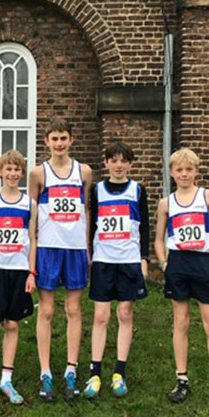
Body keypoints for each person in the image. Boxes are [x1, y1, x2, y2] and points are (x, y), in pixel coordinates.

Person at [154, 148, 209, 411]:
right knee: (181, 321)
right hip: (178, 262)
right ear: (172, 173)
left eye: (189, 169)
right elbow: (158, 237)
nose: (184, 174)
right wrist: (164, 263)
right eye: (179, 170)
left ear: (196, 171)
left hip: (202, 262)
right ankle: (181, 378)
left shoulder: (207, 196)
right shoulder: (166, 203)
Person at [28, 119, 93, 401]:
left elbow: (86, 208)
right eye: (54, 138)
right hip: (48, 248)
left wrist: (88, 245)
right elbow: (31, 215)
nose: (59, 143)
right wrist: (31, 249)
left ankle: (71, 369)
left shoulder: (84, 171)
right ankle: (45, 372)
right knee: (46, 310)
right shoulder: (38, 173)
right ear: (46, 141)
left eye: (63, 138)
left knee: (74, 309)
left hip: (75, 247)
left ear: (71, 140)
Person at [83, 141, 149, 399]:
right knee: (100, 316)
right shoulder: (98, 190)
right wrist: (89, 252)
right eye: (114, 160)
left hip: (129, 259)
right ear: (106, 163)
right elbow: (92, 223)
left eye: (124, 161)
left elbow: (144, 226)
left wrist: (144, 258)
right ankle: (95, 372)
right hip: (103, 260)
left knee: (124, 313)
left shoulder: (138, 190)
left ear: (130, 164)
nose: (119, 165)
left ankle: (119, 372)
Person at [0, 150, 37, 405]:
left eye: (16, 170)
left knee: (12, 324)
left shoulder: (29, 204)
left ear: (22, 173)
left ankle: (6, 379)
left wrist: (31, 272)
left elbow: (33, 239)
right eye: (8, 169)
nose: (12, 174)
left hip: (19, 269)